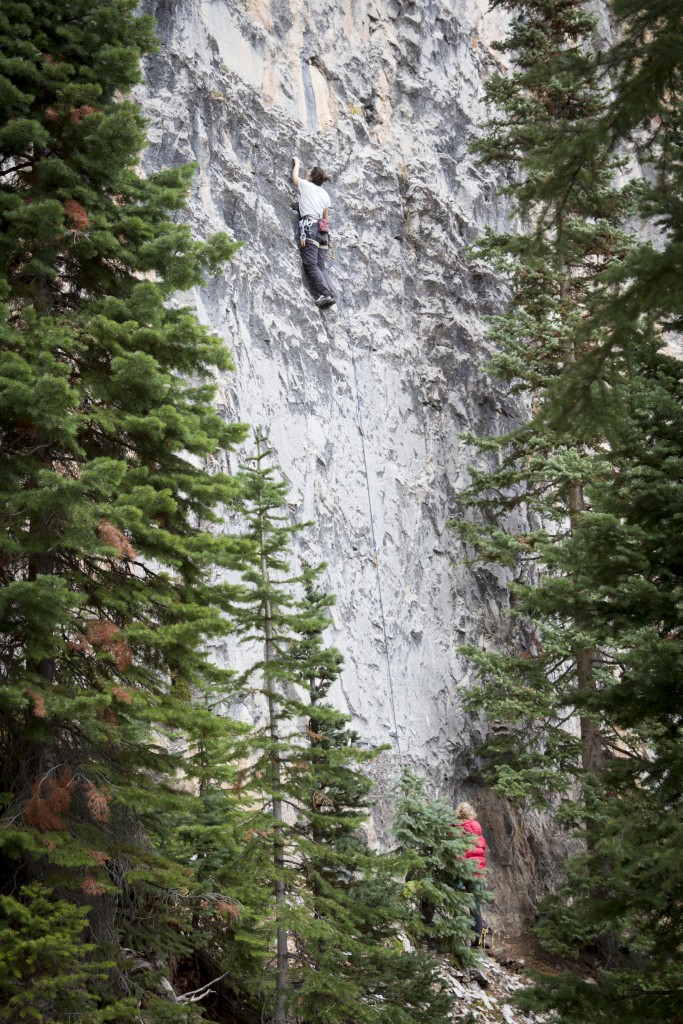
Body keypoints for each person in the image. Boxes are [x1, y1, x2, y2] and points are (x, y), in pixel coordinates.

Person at [291, 157, 336, 308]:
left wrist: (297, 163)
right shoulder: (324, 194)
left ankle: (325, 294)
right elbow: (326, 217)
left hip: (310, 228)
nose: (306, 173)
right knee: (320, 265)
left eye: (308, 172)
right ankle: (331, 293)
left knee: (310, 263)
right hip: (323, 232)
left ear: (311, 177)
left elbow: (295, 179)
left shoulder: (306, 185)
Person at [453, 800, 488, 945]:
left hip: (462, 872)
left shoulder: (456, 829)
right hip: (478, 873)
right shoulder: (478, 831)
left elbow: (454, 850)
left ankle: (455, 938)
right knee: (475, 909)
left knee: (454, 901)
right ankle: (475, 946)